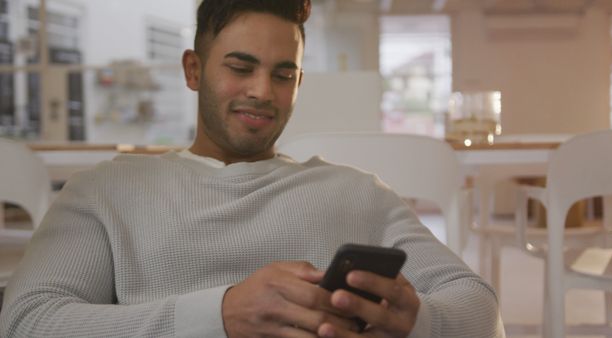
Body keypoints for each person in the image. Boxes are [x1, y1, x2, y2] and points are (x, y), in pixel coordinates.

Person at [0, 1, 504, 337]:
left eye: (283, 74)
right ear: (193, 70)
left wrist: (418, 320)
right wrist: (220, 315)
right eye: (240, 68)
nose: (263, 91)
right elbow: (28, 319)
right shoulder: (107, 191)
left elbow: (482, 310)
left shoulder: (357, 192)